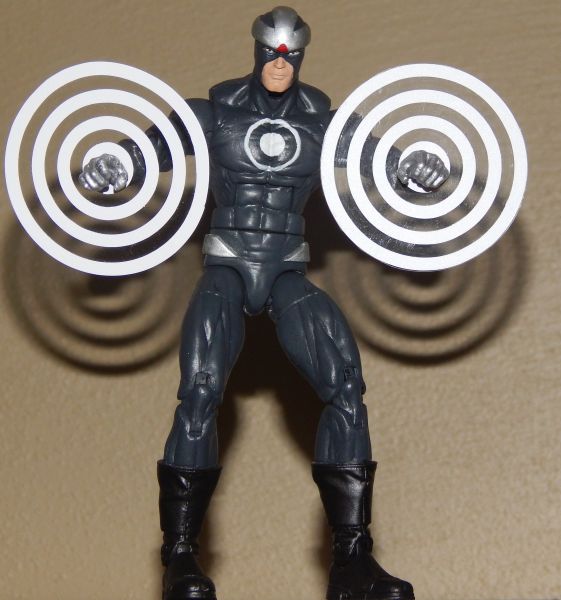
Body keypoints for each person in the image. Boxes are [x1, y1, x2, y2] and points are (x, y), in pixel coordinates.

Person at [80, 7, 448, 600]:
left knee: (345, 385)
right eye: (272, 54)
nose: (280, 65)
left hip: (286, 269)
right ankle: (180, 558)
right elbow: (141, 153)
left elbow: (394, 164)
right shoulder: (214, 113)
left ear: (301, 58)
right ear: (256, 52)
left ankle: (352, 561)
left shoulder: (324, 124)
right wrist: (111, 165)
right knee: (200, 390)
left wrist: (419, 168)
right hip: (227, 263)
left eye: (290, 56)